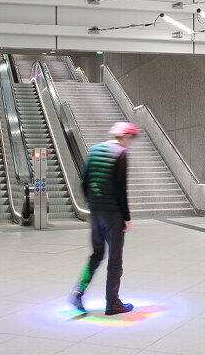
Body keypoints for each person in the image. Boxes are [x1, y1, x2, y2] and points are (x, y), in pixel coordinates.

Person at [69, 121, 140, 315]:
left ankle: (78, 292)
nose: (130, 142)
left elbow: (84, 181)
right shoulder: (120, 154)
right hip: (113, 215)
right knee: (115, 259)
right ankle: (113, 302)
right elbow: (120, 189)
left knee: (97, 255)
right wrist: (126, 217)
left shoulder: (94, 150)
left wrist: (92, 204)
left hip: (97, 213)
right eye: (131, 138)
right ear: (125, 136)